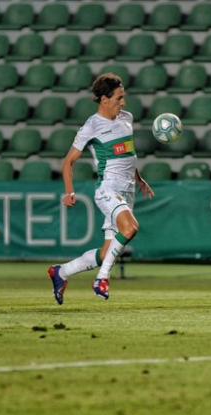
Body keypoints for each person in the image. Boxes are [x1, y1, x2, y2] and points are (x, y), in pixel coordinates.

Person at [48, 73, 154, 305]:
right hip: (108, 190)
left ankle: (61, 272)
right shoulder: (92, 126)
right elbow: (68, 162)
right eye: (118, 98)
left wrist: (140, 179)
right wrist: (69, 191)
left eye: (123, 97)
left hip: (127, 192)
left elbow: (128, 155)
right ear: (104, 100)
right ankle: (102, 279)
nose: (123, 103)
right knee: (130, 228)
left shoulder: (127, 118)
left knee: (106, 253)